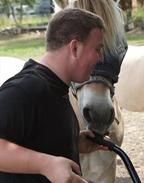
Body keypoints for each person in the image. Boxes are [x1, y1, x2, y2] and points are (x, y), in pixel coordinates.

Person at [0, 8, 106, 183]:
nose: (100, 58)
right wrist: (45, 164)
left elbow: (33, 138)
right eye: (97, 49)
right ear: (75, 47)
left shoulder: (57, 88)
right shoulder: (24, 89)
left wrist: (74, 142)